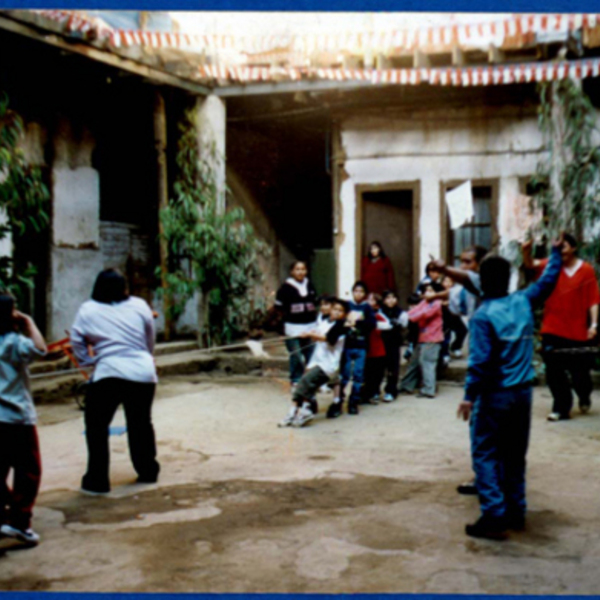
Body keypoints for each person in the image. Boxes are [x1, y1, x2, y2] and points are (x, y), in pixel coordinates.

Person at [459, 235, 563, 540]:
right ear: (508, 279)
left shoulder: (483, 316)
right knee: (515, 454)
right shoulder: (522, 301)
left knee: (486, 453)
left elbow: (479, 364)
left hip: (495, 395)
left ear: (482, 284)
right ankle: (517, 510)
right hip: (523, 393)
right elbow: (549, 280)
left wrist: (468, 397)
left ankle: (493, 515)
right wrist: (555, 253)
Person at [71, 269, 160, 495]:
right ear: (125, 289)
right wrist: (145, 356)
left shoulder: (87, 309)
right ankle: (148, 471)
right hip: (142, 371)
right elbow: (149, 337)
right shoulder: (140, 305)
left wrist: (88, 362)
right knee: (140, 423)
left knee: (96, 427)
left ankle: (97, 479)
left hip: (108, 372)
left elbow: (76, 339)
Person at [522, 234, 600, 421]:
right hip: (552, 327)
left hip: (577, 329)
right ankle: (561, 407)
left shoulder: (586, 270)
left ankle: (584, 394)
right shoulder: (552, 266)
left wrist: (594, 324)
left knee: (580, 373)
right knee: (553, 370)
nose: (559, 250)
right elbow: (531, 264)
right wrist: (526, 251)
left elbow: (593, 300)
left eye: (563, 246)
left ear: (573, 248)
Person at [0, 294, 46, 546]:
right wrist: (29, 323)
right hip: (16, 417)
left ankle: (3, 516)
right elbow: (41, 348)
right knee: (28, 471)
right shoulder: (14, 343)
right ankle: (19, 522)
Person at [279, 299, 349, 428]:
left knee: (305, 381)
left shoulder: (342, 327)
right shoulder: (324, 322)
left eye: (340, 311)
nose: (337, 312)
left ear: (345, 314)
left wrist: (313, 335)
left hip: (328, 365)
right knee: (304, 385)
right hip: (317, 360)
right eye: (335, 309)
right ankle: (295, 411)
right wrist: (306, 334)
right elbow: (316, 332)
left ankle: (303, 411)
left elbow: (328, 338)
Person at [274, 261, 318, 388]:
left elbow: (314, 303)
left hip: (310, 326)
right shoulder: (285, 288)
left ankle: (311, 379)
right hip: (292, 326)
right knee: (296, 354)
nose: (300, 272)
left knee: (311, 353)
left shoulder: (310, 285)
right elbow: (279, 309)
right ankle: (296, 379)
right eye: (297, 269)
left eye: (303, 269)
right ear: (292, 271)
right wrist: (281, 328)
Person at [335, 281, 376, 417]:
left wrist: (357, 322)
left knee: (358, 375)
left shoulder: (367, 308)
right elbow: (340, 320)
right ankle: (339, 401)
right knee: (345, 375)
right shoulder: (347, 305)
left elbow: (372, 324)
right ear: (352, 292)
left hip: (361, 346)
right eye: (356, 291)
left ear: (365, 294)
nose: (358, 294)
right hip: (347, 346)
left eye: (361, 291)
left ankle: (354, 402)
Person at [399, 285, 444, 398]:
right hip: (422, 338)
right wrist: (405, 316)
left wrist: (409, 318)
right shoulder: (425, 302)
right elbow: (416, 310)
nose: (427, 293)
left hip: (433, 339)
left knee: (427, 363)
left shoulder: (437, 303)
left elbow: (425, 313)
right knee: (414, 362)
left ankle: (429, 390)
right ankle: (406, 385)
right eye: (426, 291)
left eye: (431, 290)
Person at [362, 293, 391, 405]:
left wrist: (372, 323)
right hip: (366, 348)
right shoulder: (362, 314)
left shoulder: (379, 316)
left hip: (378, 349)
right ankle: (367, 393)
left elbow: (387, 325)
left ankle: (375, 393)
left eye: (372, 300)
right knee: (366, 373)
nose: (369, 301)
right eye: (368, 299)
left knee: (377, 374)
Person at [380, 290, 409, 402]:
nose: (390, 300)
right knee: (380, 368)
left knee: (393, 368)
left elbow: (404, 326)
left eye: (393, 297)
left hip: (394, 343)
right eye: (387, 298)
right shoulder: (380, 311)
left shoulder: (401, 313)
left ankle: (391, 390)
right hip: (381, 343)